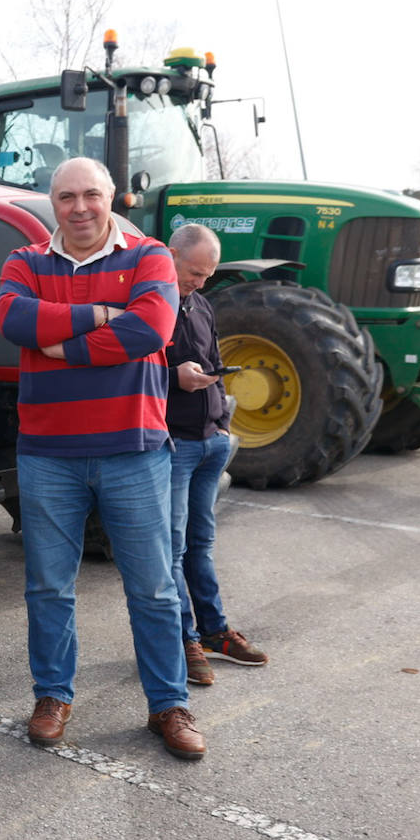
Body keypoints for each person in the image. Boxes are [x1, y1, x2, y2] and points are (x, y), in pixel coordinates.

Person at [0, 157, 207, 760]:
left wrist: (57, 344)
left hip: (133, 452)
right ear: (52, 202)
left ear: (112, 197)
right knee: (48, 587)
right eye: (66, 197)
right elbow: (13, 318)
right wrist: (104, 317)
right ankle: (53, 696)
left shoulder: (150, 256)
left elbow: (152, 330)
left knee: (155, 590)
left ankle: (168, 705)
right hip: (48, 455)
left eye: (92, 195)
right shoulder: (24, 261)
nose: (80, 207)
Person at [165, 223, 268, 686]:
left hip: (209, 442)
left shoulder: (202, 305)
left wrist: (223, 426)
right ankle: (183, 638)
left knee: (200, 546)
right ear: (171, 255)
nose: (200, 282)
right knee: (172, 548)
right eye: (194, 272)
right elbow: (130, 368)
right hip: (173, 445)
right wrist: (173, 377)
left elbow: (213, 364)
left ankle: (214, 631)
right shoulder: (149, 305)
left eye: (207, 275)